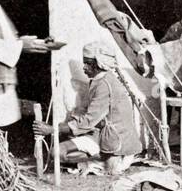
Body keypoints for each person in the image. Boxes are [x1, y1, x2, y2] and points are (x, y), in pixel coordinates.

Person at [35, 44, 143, 175]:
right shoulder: (100, 80)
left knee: (57, 152)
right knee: (58, 151)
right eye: (84, 63)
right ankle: (100, 159)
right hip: (103, 135)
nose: (84, 67)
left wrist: (52, 129)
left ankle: (108, 159)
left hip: (116, 142)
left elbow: (87, 122)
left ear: (99, 64)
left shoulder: (104, 85)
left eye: (88, 63)